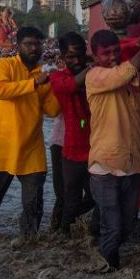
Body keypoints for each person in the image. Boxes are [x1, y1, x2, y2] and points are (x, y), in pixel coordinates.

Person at [0, 27, 60, 236]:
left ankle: (28, 246)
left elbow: (52, 110)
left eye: (38, 44)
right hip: (1, 147)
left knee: (33, 206)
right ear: (18, 45)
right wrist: (34, 83)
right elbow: (1, 90)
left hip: (31, 148)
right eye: (29, 44)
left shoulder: (42, 75)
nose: (34, 48)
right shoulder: (3, 65)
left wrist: (59, 84)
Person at [86, 30, 140, 271]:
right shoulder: (94, 76)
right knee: (113, 227)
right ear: (95, 56)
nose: (112, 56)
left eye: (116, 51)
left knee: (128, 225)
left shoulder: (131, 77)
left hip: (132, 164)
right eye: (106, 53)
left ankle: (102, 257)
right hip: (104, 166)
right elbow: (121, 74)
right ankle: (108, 271)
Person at [48, 32, 97, 237]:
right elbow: (69, 86)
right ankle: (59, 233)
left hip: (93, 147)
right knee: (65, 197)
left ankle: (66, 229)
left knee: (95, 197)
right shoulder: (58, 77)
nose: (75, 61)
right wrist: (91, 68)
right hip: (63, 145)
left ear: (85, 54)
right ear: (62, 58)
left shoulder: (95, 75)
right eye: (70, 57)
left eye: (79, 56)